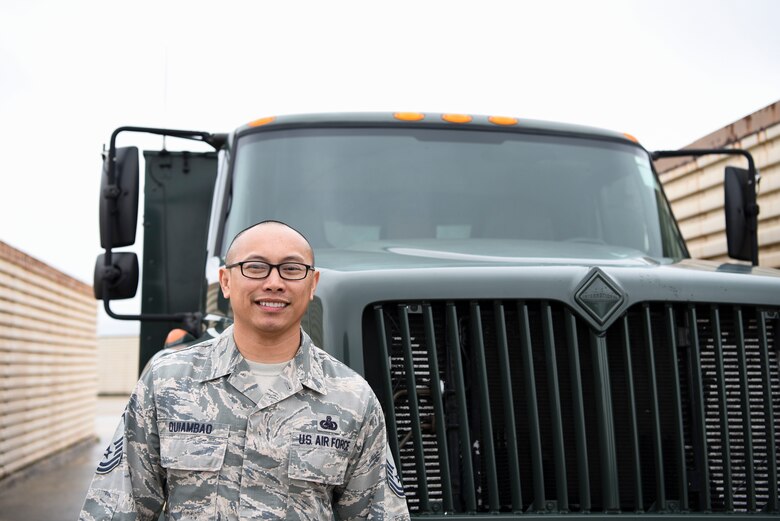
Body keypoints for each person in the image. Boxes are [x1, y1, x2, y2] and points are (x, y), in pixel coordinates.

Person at [80, 220, 410, 520]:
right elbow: (118, 507)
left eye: (292, 269)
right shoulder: (167, 381)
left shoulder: (351, 397)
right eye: (255, 267)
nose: (274, 282)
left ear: (312, 284)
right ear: (225, 281)